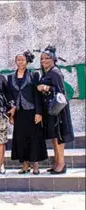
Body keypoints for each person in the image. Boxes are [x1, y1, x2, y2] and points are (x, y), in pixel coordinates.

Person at [8, 50, 48, 175]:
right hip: (19, 113)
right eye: (18, 60)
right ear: (15, 62)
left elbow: (38, 96)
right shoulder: (10, 77)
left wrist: (39, 112)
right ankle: (25, 165)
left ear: (27, 61)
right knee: (20, 139)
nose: (20, 62)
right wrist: (11, 113)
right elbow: (10, 96)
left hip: (32, 112)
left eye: (22, 60)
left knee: (35, 138)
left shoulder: (34, 75)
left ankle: (35, 165)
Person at [37, 45, 74, 174]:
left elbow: (61, 92)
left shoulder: (55, 72)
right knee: (54, 137)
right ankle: (57, 162)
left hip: (58, 110)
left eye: (47, 58)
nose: (44, 61)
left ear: (53, 59)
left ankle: (61, 164)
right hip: (51, 110)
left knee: (58, 138)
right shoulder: (47, 72)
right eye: (42, 58)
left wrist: (45, 88)